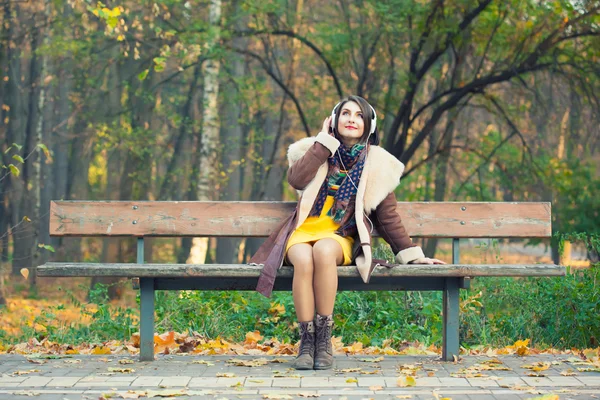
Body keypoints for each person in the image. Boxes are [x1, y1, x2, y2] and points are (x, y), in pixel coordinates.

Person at [249, 95, 445, 370]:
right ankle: (307, 341)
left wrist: (411, 255)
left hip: (338, 235)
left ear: (369, 125)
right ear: (334, 119)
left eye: (358, 115)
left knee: (324, 250)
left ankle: (324, 338)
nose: (351, 119)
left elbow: (387, 217)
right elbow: (296, 179)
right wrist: (323, 144)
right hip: (302, 231)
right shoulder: (314, 150)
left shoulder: (377, 164)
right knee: (304, 258)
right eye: (345, 114)